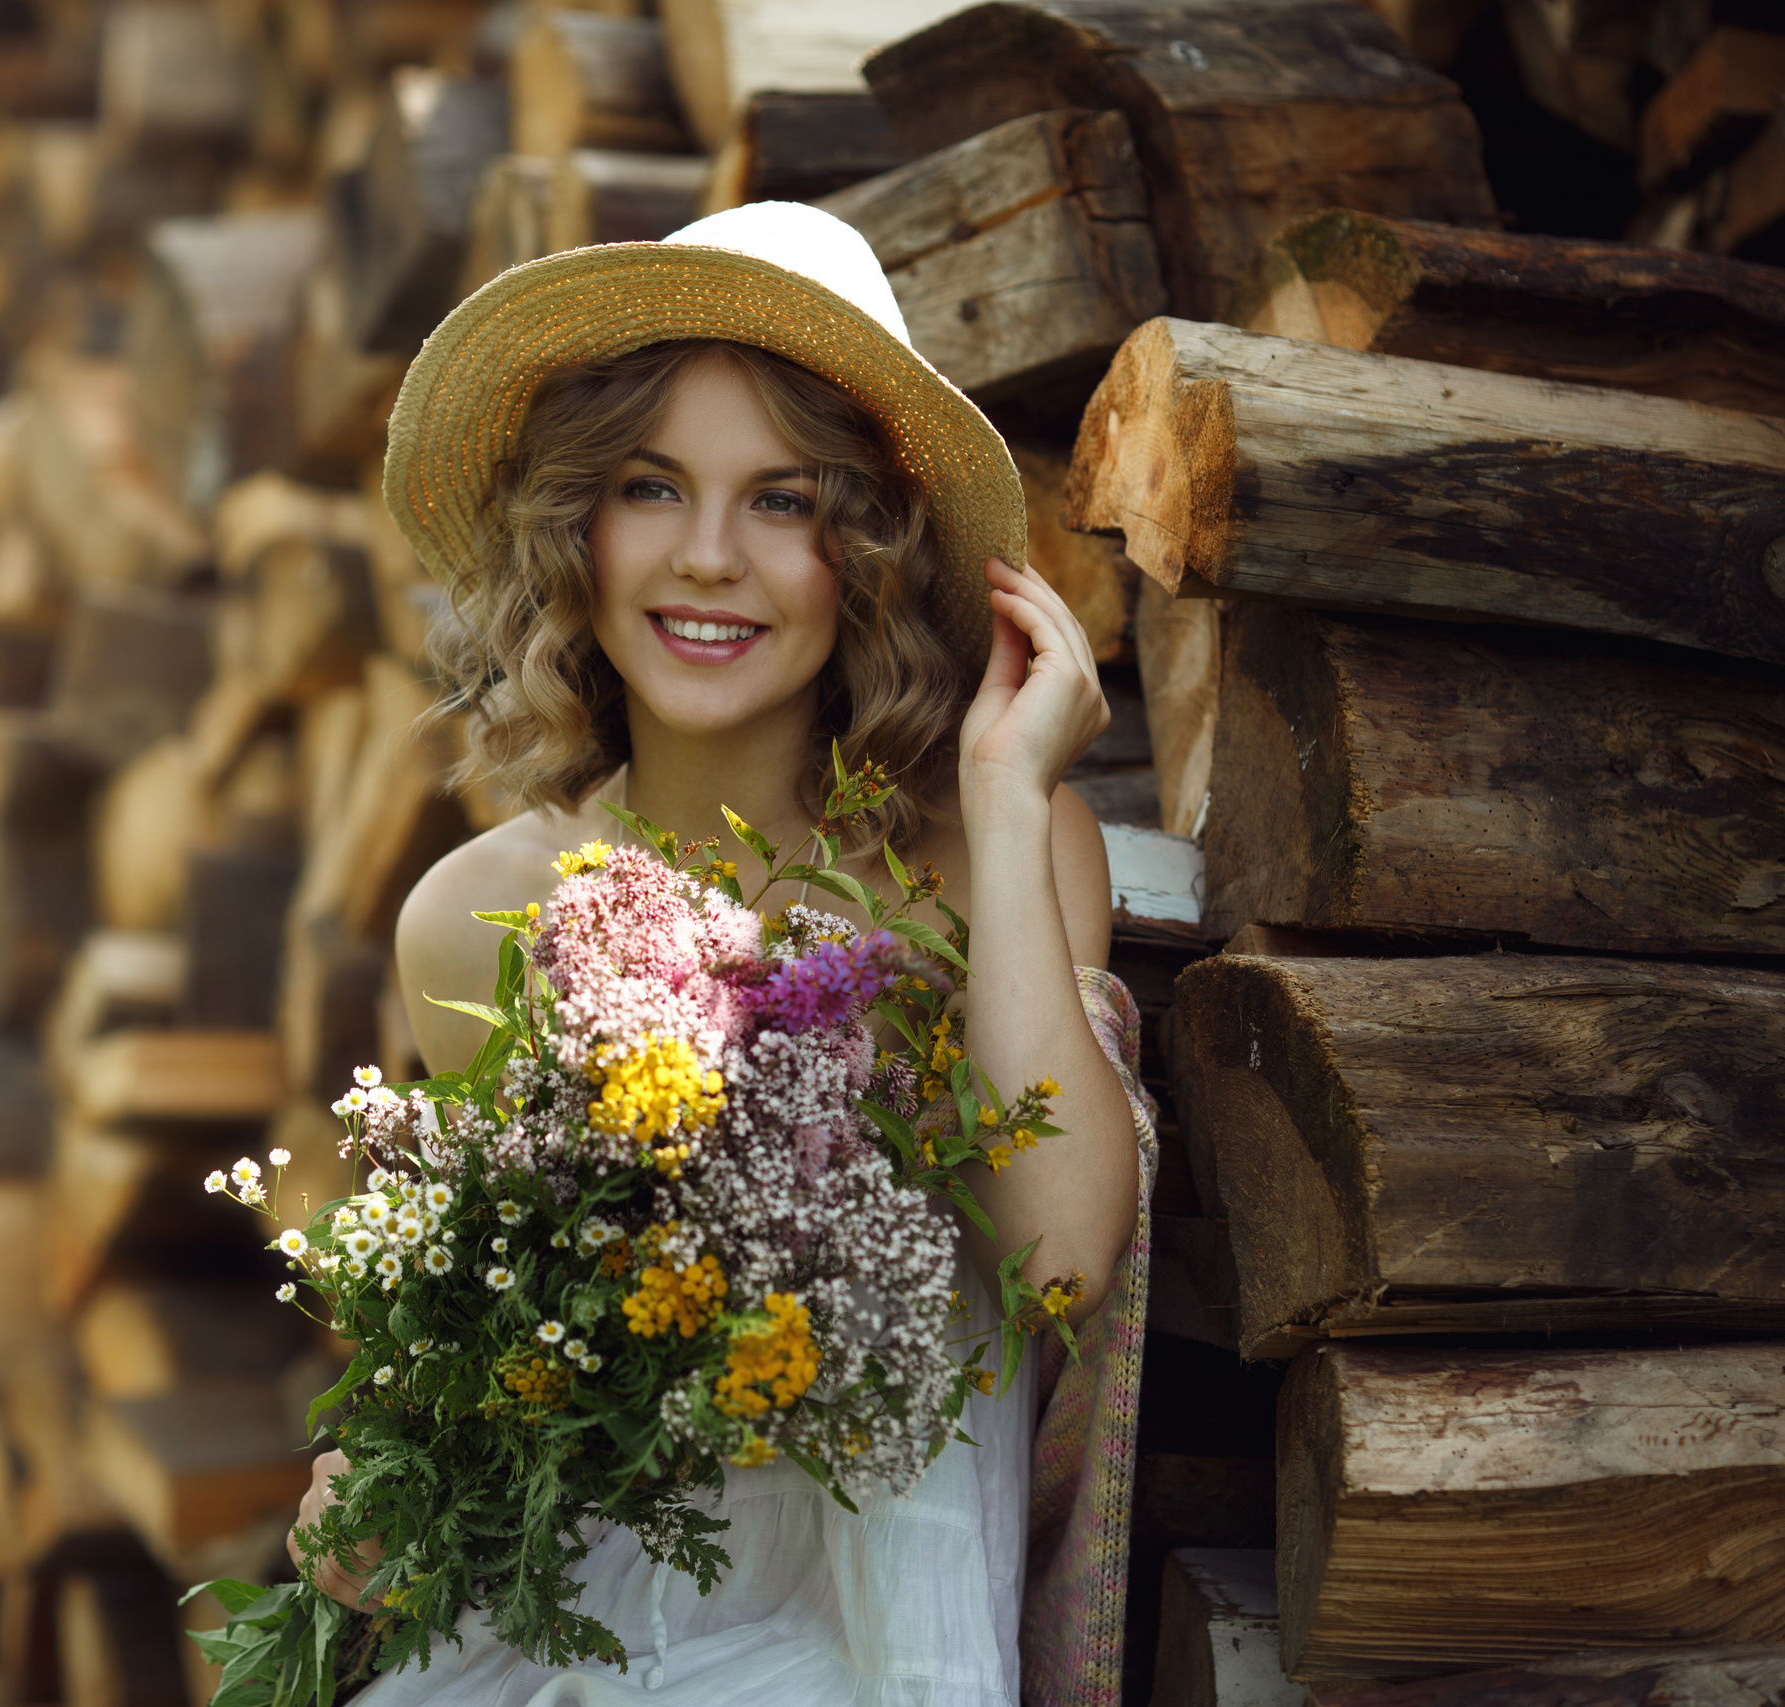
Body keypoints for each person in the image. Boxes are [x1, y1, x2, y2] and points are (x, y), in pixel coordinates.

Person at [294, 202, 1159, 1707]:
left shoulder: (980, 861)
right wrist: (378, 1475)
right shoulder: (475, 913)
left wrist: (1011, 805)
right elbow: (523, 1352)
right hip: (572, 1638)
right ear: (579, 523)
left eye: (781, 501)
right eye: (651, 487)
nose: (706, 559)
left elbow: (1064, 1263)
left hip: (874, 1641)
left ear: (867, 547)